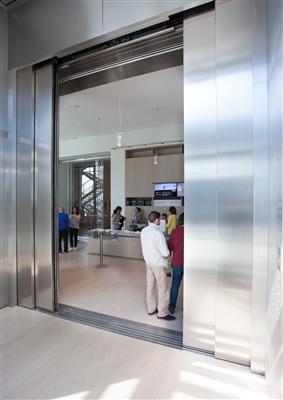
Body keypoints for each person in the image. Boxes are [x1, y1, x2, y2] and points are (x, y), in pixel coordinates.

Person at [140, 211, 176, 321]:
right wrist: (169, 253)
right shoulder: (158, 233)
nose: (160, 221)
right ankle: (162, 313)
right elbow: (165, 253)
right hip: (158, 264)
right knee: (163, 289)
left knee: (150, 286)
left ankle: (151, 309)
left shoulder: (144, 230)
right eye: (159, 219)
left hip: (148, 263)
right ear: (157, 220)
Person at [168, 213, 184, 314]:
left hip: (177, 262)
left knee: (175, 284)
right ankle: (186, 308)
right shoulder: (196, 231)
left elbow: (170, 248)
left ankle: (172, 307)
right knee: (189, 286)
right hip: (192, 263)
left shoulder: (175, 232)